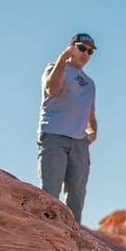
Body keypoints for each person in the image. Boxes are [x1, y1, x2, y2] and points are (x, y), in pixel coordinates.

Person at [36, 33, 99, 222]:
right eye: (82, 48)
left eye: (90, 51)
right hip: (54, 136)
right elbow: (52, 88)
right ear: (72, 47)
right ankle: (46, 232)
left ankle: (72, 234)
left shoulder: (90, 83)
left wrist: (92, 132)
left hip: (79, 143)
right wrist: (62, 58)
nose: (85, 54)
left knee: (76, 197)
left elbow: (91, 113)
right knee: (51, 191)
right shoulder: (54, 68)